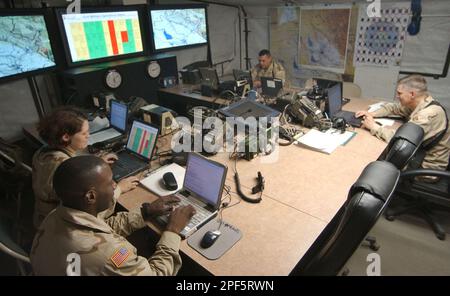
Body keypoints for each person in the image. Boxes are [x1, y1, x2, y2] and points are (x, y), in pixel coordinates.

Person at [31, 155, 195, 275]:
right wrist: (172, 231)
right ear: (91, 196)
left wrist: (146, 212)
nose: (116, 186)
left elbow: (101, 230)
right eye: (110, 183)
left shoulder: (56, 216)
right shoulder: (107, 255)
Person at [32, 107, 138, 228]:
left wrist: (96, 163)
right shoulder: (68, 170)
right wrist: (120, 188)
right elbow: (91, 213)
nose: (88, 135)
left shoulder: (43, 152)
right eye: (84, 133)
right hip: (65, 229)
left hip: (43, 219)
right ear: (66, 137)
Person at [356, 74, 450, 173]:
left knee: (370, 159)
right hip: (418, 155)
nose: (397, 96)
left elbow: (399, 141)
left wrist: (373, 126)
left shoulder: (427, 115)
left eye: (399, 93)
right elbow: (394, 108)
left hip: (425, 167)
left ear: (412, 94)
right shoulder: (422, 102)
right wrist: (372, 113)